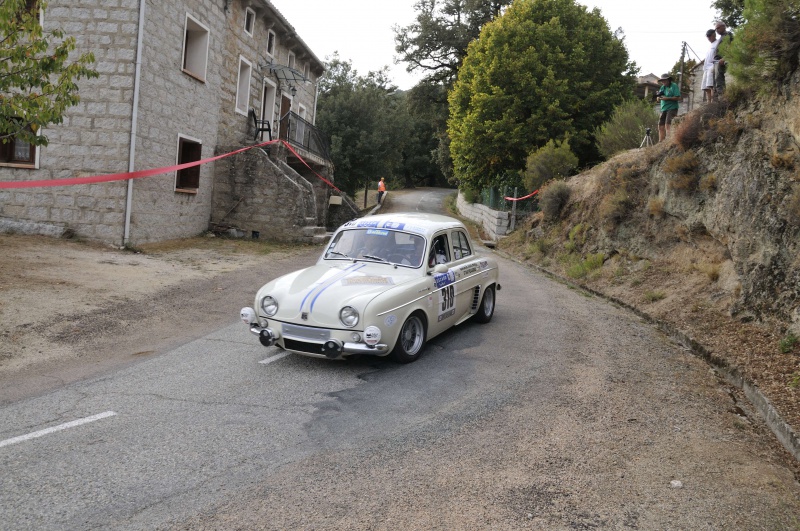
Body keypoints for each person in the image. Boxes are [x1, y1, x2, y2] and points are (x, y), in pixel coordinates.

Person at [656, 73, 680, 142]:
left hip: (672, 107)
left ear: (668, 80)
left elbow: (678, 97)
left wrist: (667, 98)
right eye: (662, 81)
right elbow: (659, 94)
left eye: (664, 80)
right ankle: (660, 142)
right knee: (660, 125)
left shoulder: (674, 86)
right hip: (664, 108)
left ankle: (668, 141)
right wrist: (658, 97)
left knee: (668, 124)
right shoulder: (662, 87)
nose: (663, 82)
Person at [714, 20, 734, 97]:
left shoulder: (728, 35)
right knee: (717, 80)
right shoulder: (722, 37)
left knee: (720, 78)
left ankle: (722, 96)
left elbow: (732, 46)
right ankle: (720, 96)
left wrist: (725, 58)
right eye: (716, 29)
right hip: (718, 61)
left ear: (723, 27)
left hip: (722, 60)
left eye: (718, 28)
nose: (717, 30)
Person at [702, 29, 719, 102]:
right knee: (705, 87)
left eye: (709, 36)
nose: (708, 38)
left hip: (712, 66)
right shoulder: (710, 45)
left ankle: (713, 102)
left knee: (711, 85)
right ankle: (708, 102)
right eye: (707, 36)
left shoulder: (718, 43)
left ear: (714, 35)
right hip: (706, 67)